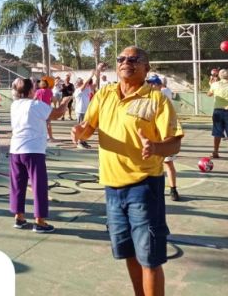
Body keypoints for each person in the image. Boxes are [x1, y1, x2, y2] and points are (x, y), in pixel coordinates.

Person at [71, 46, 184, 296]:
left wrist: (155, 146)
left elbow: (174, 142)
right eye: (121, 59)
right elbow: (88, 127)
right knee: (129, 253)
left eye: (134, 59)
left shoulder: (157, 99)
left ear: (147, 68)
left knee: (150, 258)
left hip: (144, 187)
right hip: (112, 188)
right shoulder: (104, 95)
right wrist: (80, 133)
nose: (126, 62)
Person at [9, 78, 72, 233]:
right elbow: (57, 114)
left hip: (16, 149)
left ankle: (19, 217)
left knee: (17, 185)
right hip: (33, 150)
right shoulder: (35, 105)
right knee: (39, 186)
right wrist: (65, 101)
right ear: (31, 91)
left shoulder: (15, 105)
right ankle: (40, 221)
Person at [147, 75, 180, 201]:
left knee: (168, 163)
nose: (151, 86)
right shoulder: (146, 98)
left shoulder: (164, 96)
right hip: (151, 137)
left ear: (160, 85)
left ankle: (173, 189)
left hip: (164, 136)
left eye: (154, 83)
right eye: (149, 83)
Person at [73, 69, 100, 149]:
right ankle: (79, 142)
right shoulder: (78, 90)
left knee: (85, 128)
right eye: (79, 82)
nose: (81, 83)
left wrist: (98, 73)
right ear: (78, 84)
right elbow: (85, 83)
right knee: (81, 128)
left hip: (86, 111)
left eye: (81, 81)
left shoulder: (87, 89)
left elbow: (95, 83)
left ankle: (83, 141)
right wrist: (91, 75)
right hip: (80, 111)